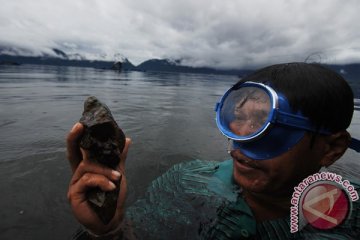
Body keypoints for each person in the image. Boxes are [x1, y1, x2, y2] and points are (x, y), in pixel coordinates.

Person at [67, 62, 360, 239]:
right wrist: (107, 229)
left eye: (266, 125)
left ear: (331, 148)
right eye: (237, 118)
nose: (241, 142)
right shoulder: (185, 181)